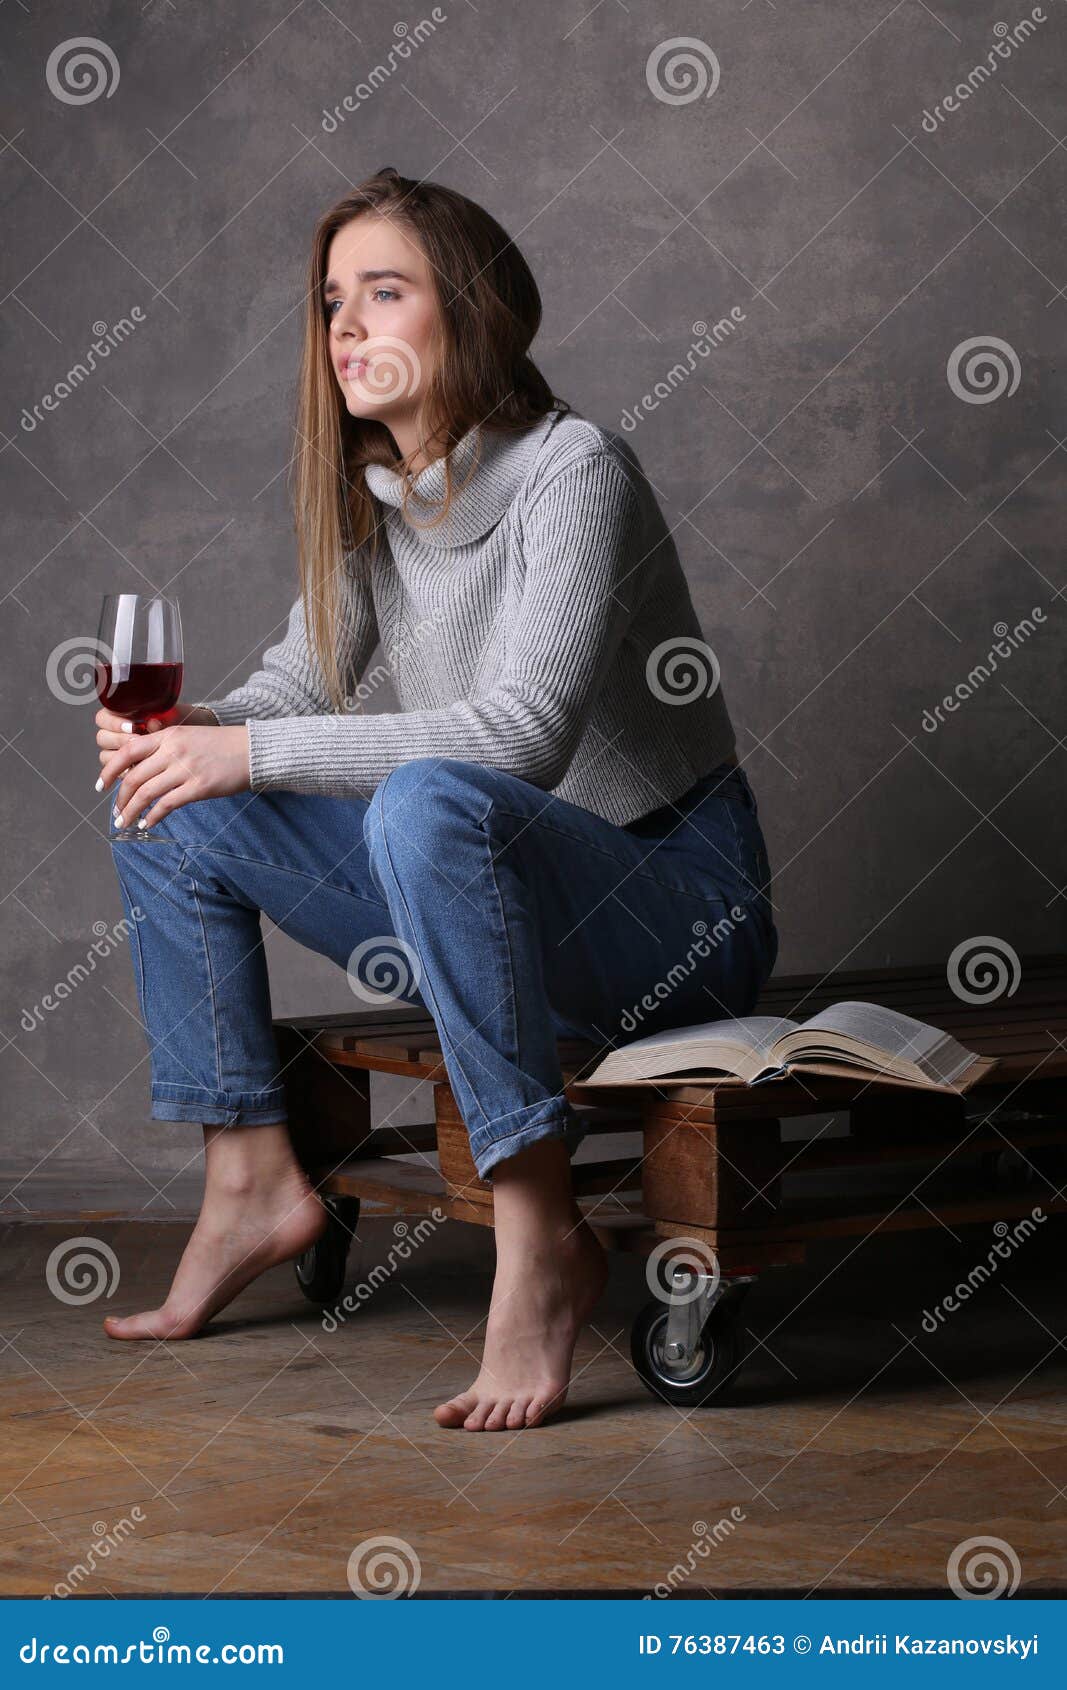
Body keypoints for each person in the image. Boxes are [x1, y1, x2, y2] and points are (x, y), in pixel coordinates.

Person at [95, 166, 779, 1433]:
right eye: (330, 301)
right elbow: (290, 692)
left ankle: (540, 1240)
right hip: (483, 893)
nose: (345, 325)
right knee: (169, 791)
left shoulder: (574, 469)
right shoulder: (374, 502)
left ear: (468, 310)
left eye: (384, 291)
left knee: (423, 800)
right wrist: (192, 736)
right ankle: (248, 1175)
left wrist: (250, 751)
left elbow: (521, 737)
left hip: (671, 905)